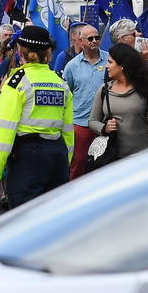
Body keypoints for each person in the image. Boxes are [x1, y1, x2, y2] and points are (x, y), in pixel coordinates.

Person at [0, 26, 73, 207]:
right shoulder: (59, 82)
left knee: (24, 220)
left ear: (21, 51)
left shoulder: (16, 81)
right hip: (56, 156)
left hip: (28, 158)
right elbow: (67, 131)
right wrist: (65, 162)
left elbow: (3, 131)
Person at [88, 41, 148, 160]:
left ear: (122, 66)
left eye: (110, 62)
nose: (107, 66)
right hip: (110, 157)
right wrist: (104, 128)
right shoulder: (104, 89)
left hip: (140, 157)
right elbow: (92, 121)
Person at [62, 24, 108, 179]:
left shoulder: (110, 60)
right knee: (78, 162)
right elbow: (67, 93)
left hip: (105, 122)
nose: (94, 41)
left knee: (104, 164)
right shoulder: (72, 66)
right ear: (81, 41)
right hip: (81, 122)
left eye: (97, 37)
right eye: (90, 38)